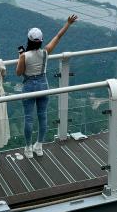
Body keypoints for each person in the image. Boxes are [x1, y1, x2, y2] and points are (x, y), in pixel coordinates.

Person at [16, 15, 78, 158]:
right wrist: (68, 23)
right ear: (41, 41)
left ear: (29, 40)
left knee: (28, 118)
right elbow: (58, 36)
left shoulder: (24, 55)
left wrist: (20, 56)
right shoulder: (45, 52)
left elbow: (19, 73)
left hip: (29, 86)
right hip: (43, 84)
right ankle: (39, 146)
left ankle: (28, 148)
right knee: (42, 117)